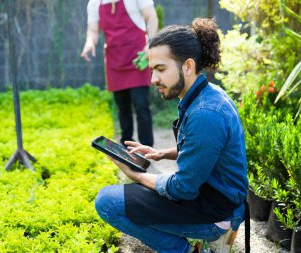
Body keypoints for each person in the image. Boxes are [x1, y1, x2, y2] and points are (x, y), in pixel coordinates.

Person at [94, 18, 249, 253]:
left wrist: (137, 175)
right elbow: (208, 149)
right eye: (152, 70)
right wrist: (161, 154)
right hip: (213, 195)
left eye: (160, 69)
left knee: (108, 202)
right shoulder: (207, 95)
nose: (153, 80)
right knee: (133, 194)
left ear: (187, 66)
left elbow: (182, 188)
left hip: (217, 210)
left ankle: (187, 250)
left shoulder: (205, 113)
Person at [81, 0, 158, 147]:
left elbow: (152, 17)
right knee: (122, 106)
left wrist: (151, 44)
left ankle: (147, 147)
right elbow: (93, 30)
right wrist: (89, 42)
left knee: (141, 103)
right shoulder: (94, 3)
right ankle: (127, 144)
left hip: (137, 56)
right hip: (114, 59)